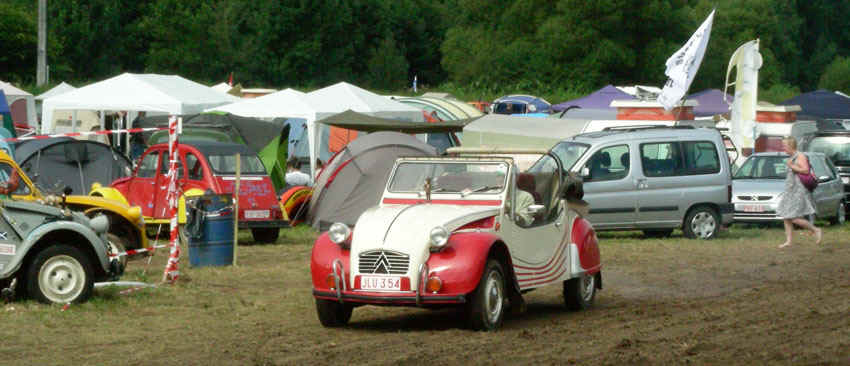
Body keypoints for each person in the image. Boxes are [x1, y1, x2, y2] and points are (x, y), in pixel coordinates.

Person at [776, 136, 822, 248]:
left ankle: (816, 230)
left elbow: (806, 170)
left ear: (790, 146)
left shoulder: (800, 156)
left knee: (794, 217)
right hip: (790, 190)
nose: (783, 148)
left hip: (798, 190)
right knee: (786, 216)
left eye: (784, 146)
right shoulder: (792, 157)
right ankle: (789, 241)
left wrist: (791, 166)